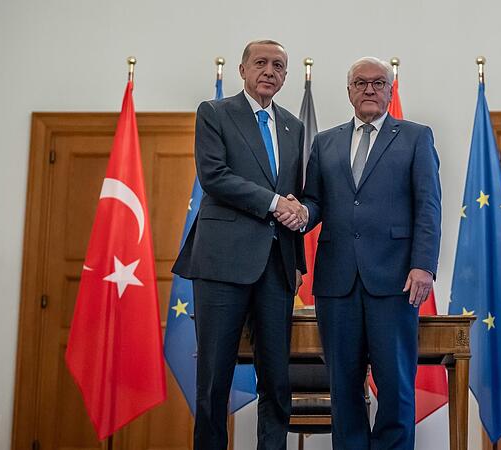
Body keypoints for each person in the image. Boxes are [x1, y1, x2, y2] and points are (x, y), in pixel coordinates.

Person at [292, 56, 442, 449]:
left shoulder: (415, 136)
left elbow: (428, 205)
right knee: (343, 387)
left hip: (395, 282)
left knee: (394, 387)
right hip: (336, 284)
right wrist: (296, 212)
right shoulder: (325, 141)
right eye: (361, 83)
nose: (370, 89)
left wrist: (423, 265)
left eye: (378, 83)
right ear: (349, 92)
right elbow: (315, 202)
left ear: (391, 91)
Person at [172, 39, 308, 450]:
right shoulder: (214, 112)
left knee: (277, 380)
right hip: (221, 262)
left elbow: (293, 195)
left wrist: (298, 260)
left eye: (279, 66)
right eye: (261, 63)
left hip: (277, 266)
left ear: (285, 76)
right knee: (214, 378)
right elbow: (214, 176)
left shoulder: (293, 126)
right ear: (243, 70)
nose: (270, 71)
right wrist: (273, 203)